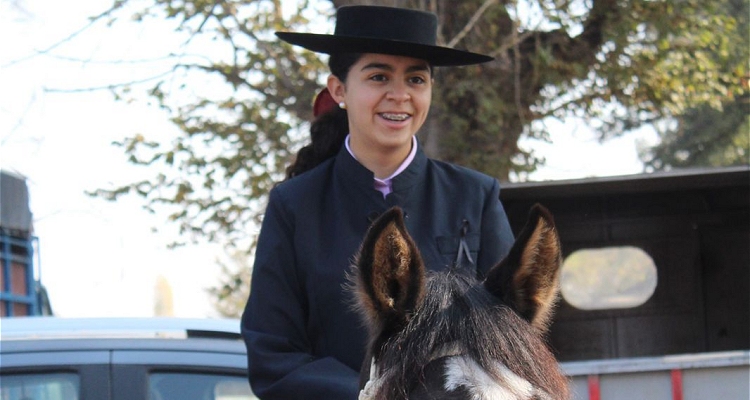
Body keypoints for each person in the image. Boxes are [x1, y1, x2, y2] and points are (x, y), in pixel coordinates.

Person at [241, 5, 515, 399]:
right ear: (339, 90)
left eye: (416, 78)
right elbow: (272, 356)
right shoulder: (293, 206)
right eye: (378, 76)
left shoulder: (475, 196)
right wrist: (376, 393)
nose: (400, 95)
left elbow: (511, 335)